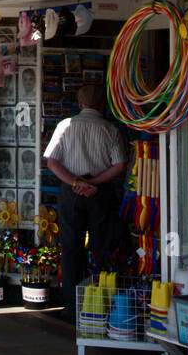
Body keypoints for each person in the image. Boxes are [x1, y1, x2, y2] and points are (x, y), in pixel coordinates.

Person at [44, 83, 127, 321]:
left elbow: (52, 162)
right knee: (102, 247)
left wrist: (75, 183)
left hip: (71, 193)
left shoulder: (65, 126)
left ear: (80, 104)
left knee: (71, 247)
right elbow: (120, 165)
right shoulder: (110, 129)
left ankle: (72, 304)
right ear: (102, 105)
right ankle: (100, 303)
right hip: (100, 193)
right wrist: (95, 183)